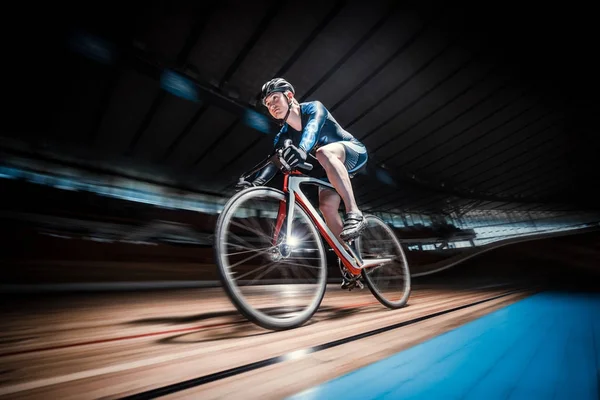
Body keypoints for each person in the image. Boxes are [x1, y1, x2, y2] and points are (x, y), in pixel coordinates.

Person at [237, 78, 369, 243]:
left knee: (323, 152)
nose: (272, 106)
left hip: (353, 153)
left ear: (290, 96)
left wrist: (302, 149)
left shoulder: (314, 108)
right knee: (326, 207)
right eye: (268, 104)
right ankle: (349, 257)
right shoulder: (283, 134)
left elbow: (312, 130)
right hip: (330, 169)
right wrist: (255, 183)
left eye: (275, 98)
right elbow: (274, 161)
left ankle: (354, 213)